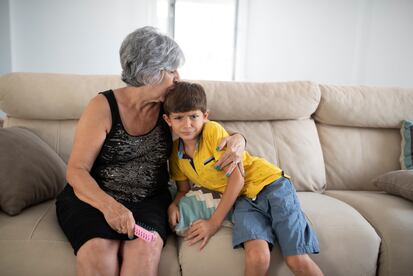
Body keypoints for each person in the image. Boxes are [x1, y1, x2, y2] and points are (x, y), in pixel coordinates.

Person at [55, 26, 246, 276]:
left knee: (145, 252)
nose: (178, 77)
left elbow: (206, 129)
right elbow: (76, 170)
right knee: (99, 253)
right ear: (149, 73)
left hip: (149, 200)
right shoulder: (102, 107)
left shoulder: (168, 107)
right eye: (171, 70)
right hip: (96, 198)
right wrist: (110, 207)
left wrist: (239, 139)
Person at [163, 81, 323, 276]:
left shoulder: (212, 132)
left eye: (193, 116)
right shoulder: (175, 156)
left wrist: (213, 223)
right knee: (257, 257)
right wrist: (174, 204)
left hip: (271, 185)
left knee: (296, 259)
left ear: (204, 116)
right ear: (168, 120)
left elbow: (237, 179)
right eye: (179, 118)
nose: (187, 124)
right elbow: (182, 190)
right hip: (244, 201)